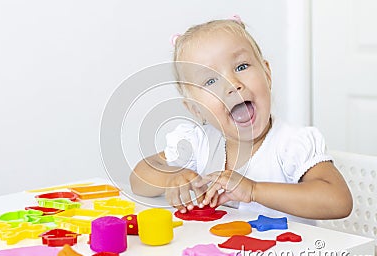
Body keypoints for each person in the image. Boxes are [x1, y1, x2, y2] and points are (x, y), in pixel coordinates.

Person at [129, 16, 352, 223]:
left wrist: (254, 190)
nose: (232, 85)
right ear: (196, 109)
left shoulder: (291, 144)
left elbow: (339, 201)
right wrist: (171, 179)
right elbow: (138, 177)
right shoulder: (198, 143)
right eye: (210, 81)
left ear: (267, 74)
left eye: (241, 67)